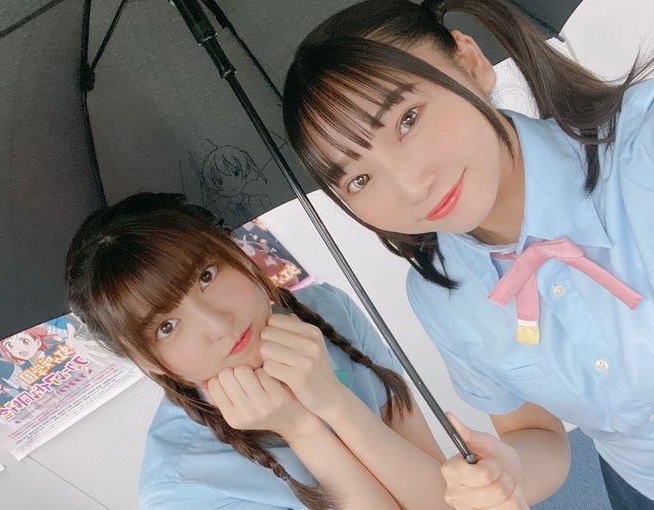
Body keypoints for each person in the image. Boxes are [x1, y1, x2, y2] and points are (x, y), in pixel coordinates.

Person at [281, 0, 654, 508]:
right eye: (359, 179)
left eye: (407, 119)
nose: (412, 186)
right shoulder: (442, 297)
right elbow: (534, 431)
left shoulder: (644, 147)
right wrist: (510, 473)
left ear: (471, 63)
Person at [64, 192, 460, 510]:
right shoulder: (182, 489)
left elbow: (445, 500)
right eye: (166, 327)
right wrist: (300, 428)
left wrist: (334, 401)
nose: (219, 324)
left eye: (206, 276)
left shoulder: (328, 311)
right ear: (147, 362)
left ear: (237, 252)